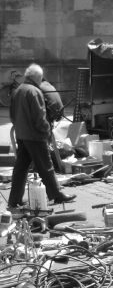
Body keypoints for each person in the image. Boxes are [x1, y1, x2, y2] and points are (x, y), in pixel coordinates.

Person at [8, 64, 76, 208]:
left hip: (22, 135)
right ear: (37, 77)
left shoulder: (17, 90)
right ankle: (56, 195)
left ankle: (14, 200)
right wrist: (46, 132)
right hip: (35, 136)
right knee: (46, 166)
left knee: (21, 168)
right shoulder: (35, 91)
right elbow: (40, 117)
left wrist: (20, 130)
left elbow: (12, 115)